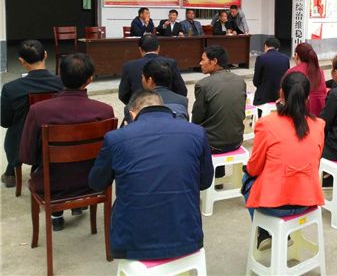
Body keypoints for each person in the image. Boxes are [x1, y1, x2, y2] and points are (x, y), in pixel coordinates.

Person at [88, 90, 213, 260]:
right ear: (163, 107)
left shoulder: (116, 138)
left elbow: (96, 183)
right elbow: (204, 182)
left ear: (132, 113)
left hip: (133, 242)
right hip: (186, 236)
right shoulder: (197, 133)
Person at [20, 53, 114, 231]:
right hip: (91, 182)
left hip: (51, 184)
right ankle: (78, 206)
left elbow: (27, 156)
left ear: (60, 76)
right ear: (90, 79)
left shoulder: (38, 110)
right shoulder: (105, 111)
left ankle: (57, 216)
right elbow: (107, 155)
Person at [243, 72, 325, 250]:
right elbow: (315, 162)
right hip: (307, 199)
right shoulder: (319, 125)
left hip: (273, 204)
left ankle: (264, 232)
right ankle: (277, 234)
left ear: (281, 93)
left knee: (247, 178)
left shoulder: (267, 124)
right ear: (308, 97)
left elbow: (254, 168)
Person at [1, 40, 63, 189]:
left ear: (21, 61)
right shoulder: (62, 83)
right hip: (55, 138)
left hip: (21, 143)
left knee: (15, 130)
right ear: (46, 55)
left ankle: (11, 171)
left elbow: (5, 122)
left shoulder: (11, 89)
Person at [192, 45, 246, 154]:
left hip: (212, 144)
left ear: (214, 61)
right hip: (237, 140)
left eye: (203, 59)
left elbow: (196, 120)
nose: (200, 63)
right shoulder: (240, 81)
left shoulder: (203, 85)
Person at [118, 35, 187, 106]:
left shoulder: (129, 66)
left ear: (140, 49)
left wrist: (136, 106)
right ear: (158, 48)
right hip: (168, 107)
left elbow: (123, 95)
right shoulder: (171, 63)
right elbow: (181, 90)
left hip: (139, 107)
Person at [285, 43, 327, 116]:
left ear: (296, 55)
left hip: (299, 112)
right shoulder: (319, 71)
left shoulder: (293, 71)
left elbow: (285, 92)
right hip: (319, 111)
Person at [252, 37, 290, 106]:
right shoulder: (286, 59)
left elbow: (256, 81)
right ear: (278, 48)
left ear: (265, 46)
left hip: (264, 95)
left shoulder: (261, 58)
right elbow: (286, 78)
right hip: (279, 95)